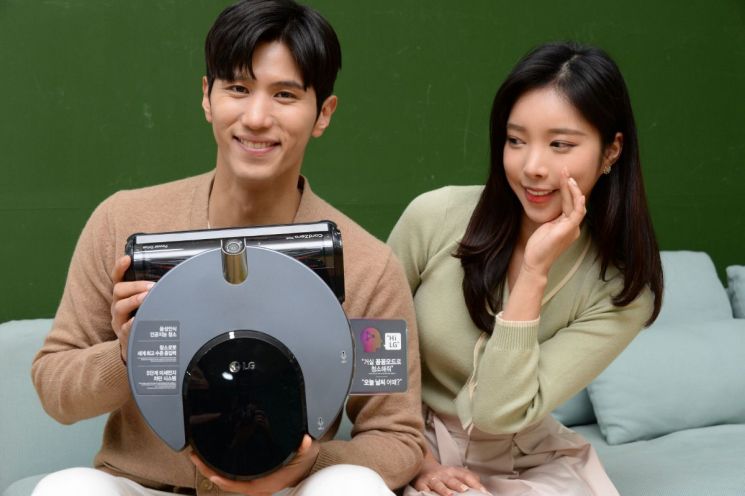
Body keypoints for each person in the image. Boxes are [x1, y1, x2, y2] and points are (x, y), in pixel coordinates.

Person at [31, 1, 426, 495]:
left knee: (352, 487)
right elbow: (55, 390)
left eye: (285, 94)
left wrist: (307, 465)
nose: (256, 117)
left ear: (323, 113)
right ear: (207, 96)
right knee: (68, 488)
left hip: (288, 488)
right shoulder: (124, 222)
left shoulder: (365, 263)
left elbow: (398, 436)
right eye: (238, 88)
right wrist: (129, 353)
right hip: (145, 487)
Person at [388, 42, 663, 496]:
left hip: (529, 459)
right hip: (411, 442)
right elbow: (365, 351)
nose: (533, 167)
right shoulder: (434, 217)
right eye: (516, 140)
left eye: (560, 145)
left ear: (611, 151)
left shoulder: (621, 292)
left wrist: (534, 272)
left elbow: (496, 413)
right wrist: (415, 459)